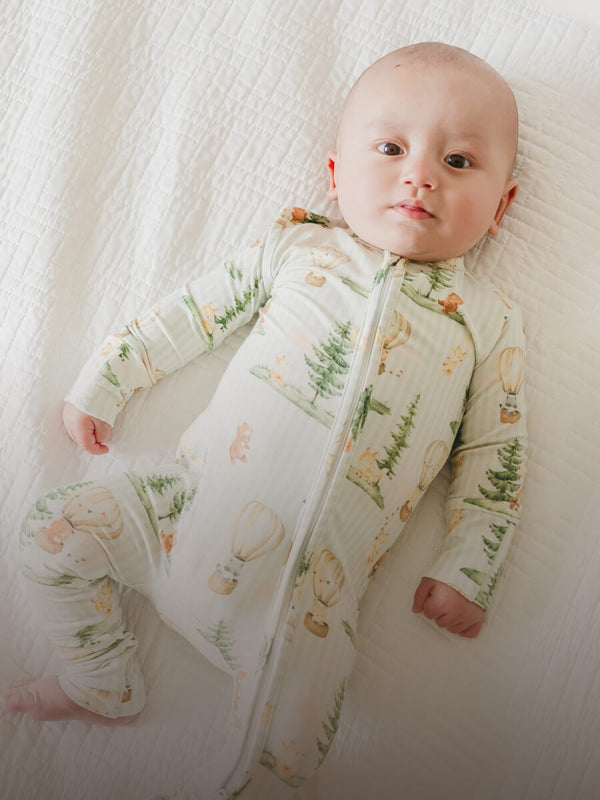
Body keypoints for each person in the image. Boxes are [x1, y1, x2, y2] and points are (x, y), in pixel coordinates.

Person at [2, 41, 526, 793]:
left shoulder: (487, 321)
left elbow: (496, 454)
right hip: (177, 517)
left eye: (459, 161)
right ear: (336, 174)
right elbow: (196, 312)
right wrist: (109, 377)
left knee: (290, 751)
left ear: (502, 205)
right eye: (391, 149)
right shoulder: (299, 246)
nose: (420, 175)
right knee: (50, 533)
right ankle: (99, 677)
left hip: (306, 608)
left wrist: (469, 564)